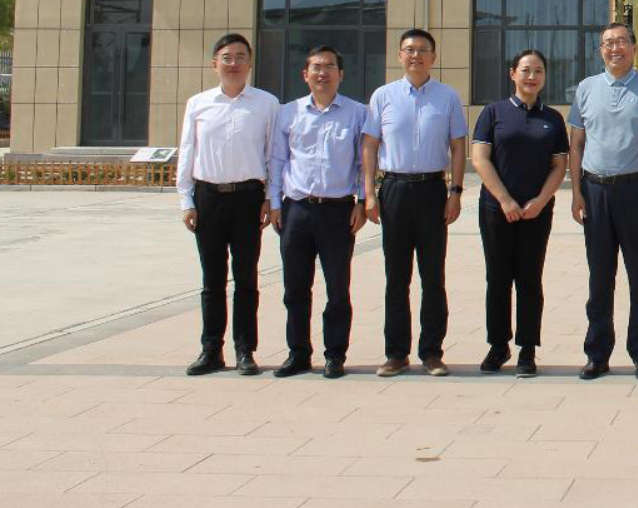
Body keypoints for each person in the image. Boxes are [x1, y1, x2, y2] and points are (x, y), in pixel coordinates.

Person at [568, 22, 638, 381]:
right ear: (601, 50)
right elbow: (576, 144)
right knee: (600, 278)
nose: (615, 48)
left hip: (636, 191)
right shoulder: (586, 88)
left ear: (634, 47)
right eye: (608, 43)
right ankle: (597, 354)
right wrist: (577, 192)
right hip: (595, 190)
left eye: (622, 42)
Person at [361, 28, 468, 378]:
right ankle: (396, 353)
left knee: (433, 275)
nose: (416, 55)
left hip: (433, 190)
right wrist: (369, 193)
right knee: (397, 276)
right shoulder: (383, 96)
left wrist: (455, 192)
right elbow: (370, 146)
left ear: (434, 57)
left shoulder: (447, 97)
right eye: (409, 49)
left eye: (423, 50)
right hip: (393, 189)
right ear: (399, 55)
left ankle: (432, 352)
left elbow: (458, 146)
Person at [176, 33, 280, 377]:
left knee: (246, 278)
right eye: (226, 57)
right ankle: (211, 349)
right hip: (208, 198)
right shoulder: (198, 103)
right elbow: (187, 151)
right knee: (212, 279)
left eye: (240, 57)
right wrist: (186, 200)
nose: (233, 63)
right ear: (214, 63)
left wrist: (270, 198)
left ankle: (245, 349)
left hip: (248, 198)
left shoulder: (266, 104)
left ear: (250, 63)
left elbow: (273, 155)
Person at [267, 44, 367, 380]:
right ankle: (297, 353)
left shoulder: (357, 113)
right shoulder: (289, 112)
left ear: (341, 74)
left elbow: (363, 163)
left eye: (329, 67)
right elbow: (277, 160)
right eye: (316, 67)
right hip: (296, 210)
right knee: (295, 288)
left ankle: (335, 355)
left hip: (338, 211)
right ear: (305, 74)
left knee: (338, 287)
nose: (322, 73)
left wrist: (362, 201)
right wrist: (275, 203)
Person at [471, 49, 570, 378]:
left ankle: (527, 349)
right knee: (498, 278)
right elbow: (480, 159)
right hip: (496, 209)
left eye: (538, 71)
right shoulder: (493, 112)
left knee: (529, 278)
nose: (531, 76)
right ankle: (498, 346)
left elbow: (559, 165)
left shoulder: (552, 119)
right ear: (512, 73)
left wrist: (541, 200)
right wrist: (505, 200)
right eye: (525, 70)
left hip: (536, 212)